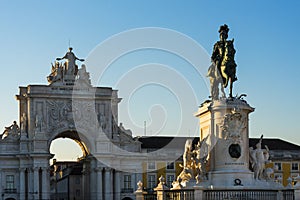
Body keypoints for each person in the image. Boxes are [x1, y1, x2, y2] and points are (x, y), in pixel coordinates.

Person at [211, 24, 237, 98]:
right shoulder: (217, 44)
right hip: (219, 59)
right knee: (218, 65)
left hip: (228, 58)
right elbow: (213, 54)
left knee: (234, 65)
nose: (223, 36)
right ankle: (217, 77)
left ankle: (233, 77)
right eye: (222, 35)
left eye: (224, 35)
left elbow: (233, 51)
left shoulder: (229, 43)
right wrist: (215, 58)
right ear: (220, 36)